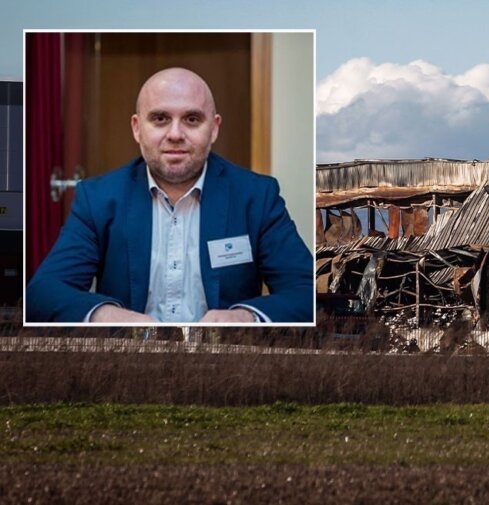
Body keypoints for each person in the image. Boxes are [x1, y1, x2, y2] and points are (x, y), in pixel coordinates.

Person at [27, 67, 313, 323]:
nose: (175, 134)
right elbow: (43, 293)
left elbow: (304, 292)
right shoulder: (98, 198)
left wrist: (245, 317)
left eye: (192, 119)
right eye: (160, 118)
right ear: (137, 128)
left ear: (214, 129)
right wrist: (105, 314)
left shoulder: (257, 196)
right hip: (129, 356)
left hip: (225, 357)